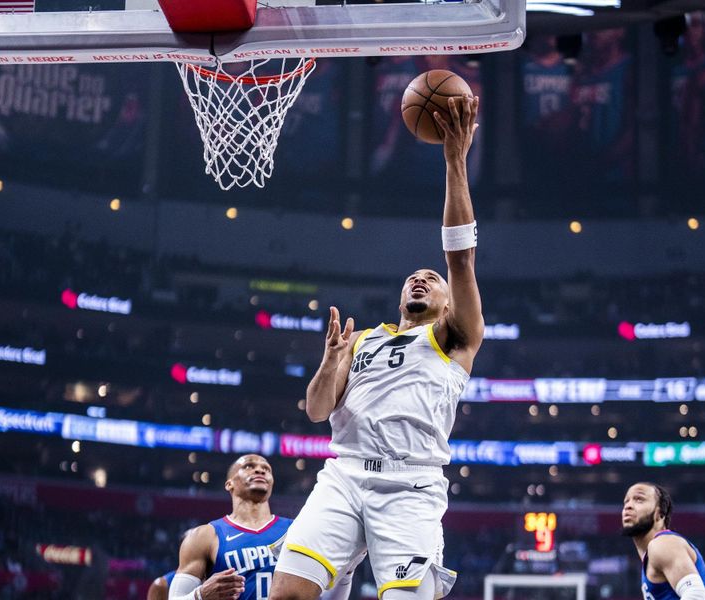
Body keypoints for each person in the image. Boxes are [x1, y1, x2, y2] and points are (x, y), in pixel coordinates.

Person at [270, 95, 484, 600]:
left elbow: (460, 258)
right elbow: (317, 411)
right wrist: (329, 363)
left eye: (431, 279)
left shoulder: (455, 338)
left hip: (411, 486)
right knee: (286, 594)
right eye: (413, 277)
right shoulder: (360, 338)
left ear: (450, 300)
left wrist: (455, 160)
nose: (420, 279)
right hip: (344, 476)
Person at [167, 454, 358, 600]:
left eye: (266, 469)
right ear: (229, 484)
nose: (260, 470)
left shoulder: (298, 529)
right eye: (249, 466)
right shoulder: (204, 536)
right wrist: (200, 595)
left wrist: (347, 573)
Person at [621, 482, 705, 600]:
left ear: (660, 514)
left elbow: (696, 596)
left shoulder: (662, 544)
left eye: (639, 499)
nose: (628, 505)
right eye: (626, 501)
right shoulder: (652, 554)